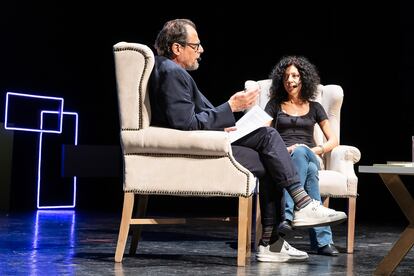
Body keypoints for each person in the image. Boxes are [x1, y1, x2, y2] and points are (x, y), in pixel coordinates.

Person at [148, 18, 346, 263]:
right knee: (270, 140)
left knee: (270, 152)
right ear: (177, 48)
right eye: (196, 45)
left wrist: (229, 122)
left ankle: (275, 240)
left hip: (211, 140)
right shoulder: (171, 72)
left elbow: (189, 119)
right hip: (203, 147)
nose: (201, 50)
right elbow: (185, 124)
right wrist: (231, 106)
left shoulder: (168, 70)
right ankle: (295, 212)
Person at [264, 55, 341, 256]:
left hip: (310, 153)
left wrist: (314, 150)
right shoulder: (274, 105)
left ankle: (288, 217)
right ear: (281, 81)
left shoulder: (315, 107)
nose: (290, 80)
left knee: (303, 154)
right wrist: (283, 150)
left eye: (295, 75)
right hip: (283, 158)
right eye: (286, 76)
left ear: (303, 79)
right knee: (310, 170)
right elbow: (263, 134)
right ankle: (323, 241)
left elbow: (333, 140)